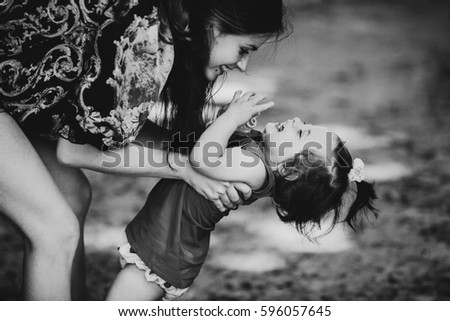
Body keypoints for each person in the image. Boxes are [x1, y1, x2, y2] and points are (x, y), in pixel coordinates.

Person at [0, 0, 289, 300]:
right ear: (212, 24)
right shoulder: (144, 39)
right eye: (244, 50)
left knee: (72, 196)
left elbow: (122, 124)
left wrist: (193, 153)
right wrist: (185, 169)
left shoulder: (159, 26)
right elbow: (74, 152)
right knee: (55, 231)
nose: (243, 66)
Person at [99, 91, 378, 300]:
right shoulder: (259, 158)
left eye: (301, 131)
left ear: (289, 170)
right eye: (303, 123)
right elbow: (213, 145)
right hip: (168, 242)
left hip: (166, 248)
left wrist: (231, 117)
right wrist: (237, 129)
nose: (294, 120)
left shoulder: (255, 168)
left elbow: (202, 157)